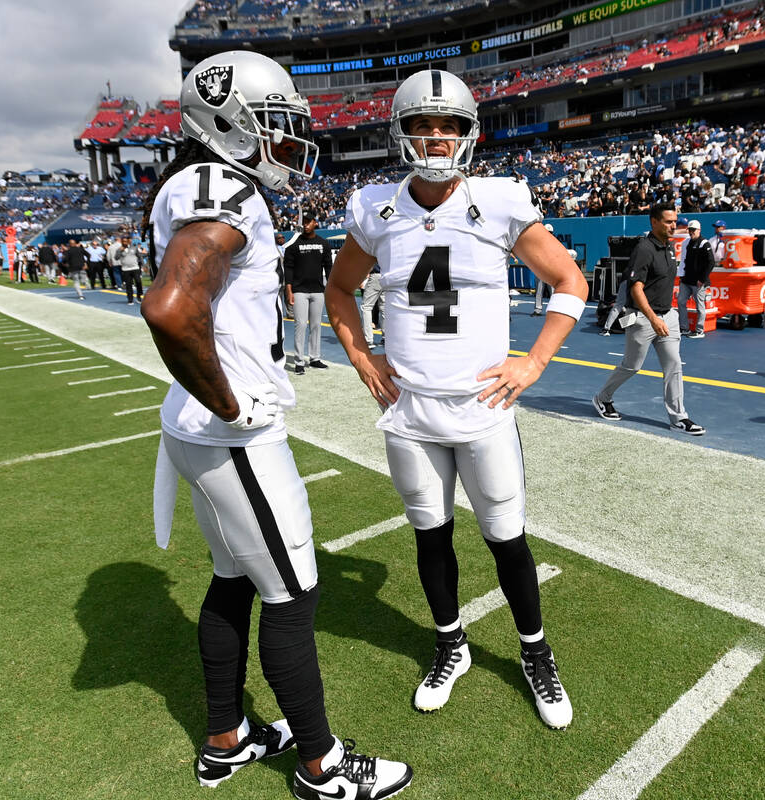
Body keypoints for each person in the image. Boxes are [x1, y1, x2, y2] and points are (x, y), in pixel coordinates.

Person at [138, 50, 411, 800]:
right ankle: (323, 766)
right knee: (293, 593)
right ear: (227, 124)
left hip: (195, 431)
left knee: (233, 579)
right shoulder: (225, 189)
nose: (287, 146)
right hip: (233, 435)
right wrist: (230, 403)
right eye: (273, 130)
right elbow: (169, 306)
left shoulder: (191, 183)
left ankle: (227, 738)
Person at [324, 68, 586, 730]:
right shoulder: (375, 206)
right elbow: (338, 290)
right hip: (410, 412)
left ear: (469, 134)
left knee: (506, 539)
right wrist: (360, 355)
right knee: (429, 535)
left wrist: (535, 361)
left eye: (448, 126)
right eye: (421, 124)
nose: (435, 137)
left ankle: (535, 653)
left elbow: (568, 280)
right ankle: (451, 645)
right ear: (402, 131)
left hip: (483, 410)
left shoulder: (499, 200)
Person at [592, 203, 706, 436]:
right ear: (654, 222)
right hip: (643, 319)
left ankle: (678, 417)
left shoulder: (669, 247)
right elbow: (636, 288)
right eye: (668, 222)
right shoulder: (644, 249)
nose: (674, 225)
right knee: (632, 365)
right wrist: (653, 319)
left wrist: (667, 314)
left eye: (675, 221)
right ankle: (602, 398)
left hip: (668, 317)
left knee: (674, 365)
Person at [283, 211, 332, 373]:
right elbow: (288, 270)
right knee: (301, 325)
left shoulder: (324, 244)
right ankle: (299, 361)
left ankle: (315, 358)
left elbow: (328, 268)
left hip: (318, 291)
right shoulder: (293, 246)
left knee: (316, 325)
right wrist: (289, 291)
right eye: (303, 222)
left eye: (309, 222)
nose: (306, 225)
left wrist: (331, 289)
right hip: (299, 291)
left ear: (315, 223)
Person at [679, 219, 714, 338]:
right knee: (680, 302)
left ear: (699, 230)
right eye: (690, 230)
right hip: (686, 280)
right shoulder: (687, 243)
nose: (691, 232)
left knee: (700, 306)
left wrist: (702, 279)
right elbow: (684, 261)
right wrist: (681, 276)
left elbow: (711, 262)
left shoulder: (705, 243)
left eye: (693, 230)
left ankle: (699, 331)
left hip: (698, 282)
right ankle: (684, 328)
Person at [116, 235, 143, 304]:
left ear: (128, 241)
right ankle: (130, 299)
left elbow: (139, 256)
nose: (124, 242)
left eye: (126, 241)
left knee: (138, 282)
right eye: (123, 241)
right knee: (128, 285)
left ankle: (139, 296)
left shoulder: (134, 248)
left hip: (135, 268)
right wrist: (120, 251)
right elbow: (116, 258)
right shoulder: (119, 249)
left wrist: (141, 264)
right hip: (126, 269)